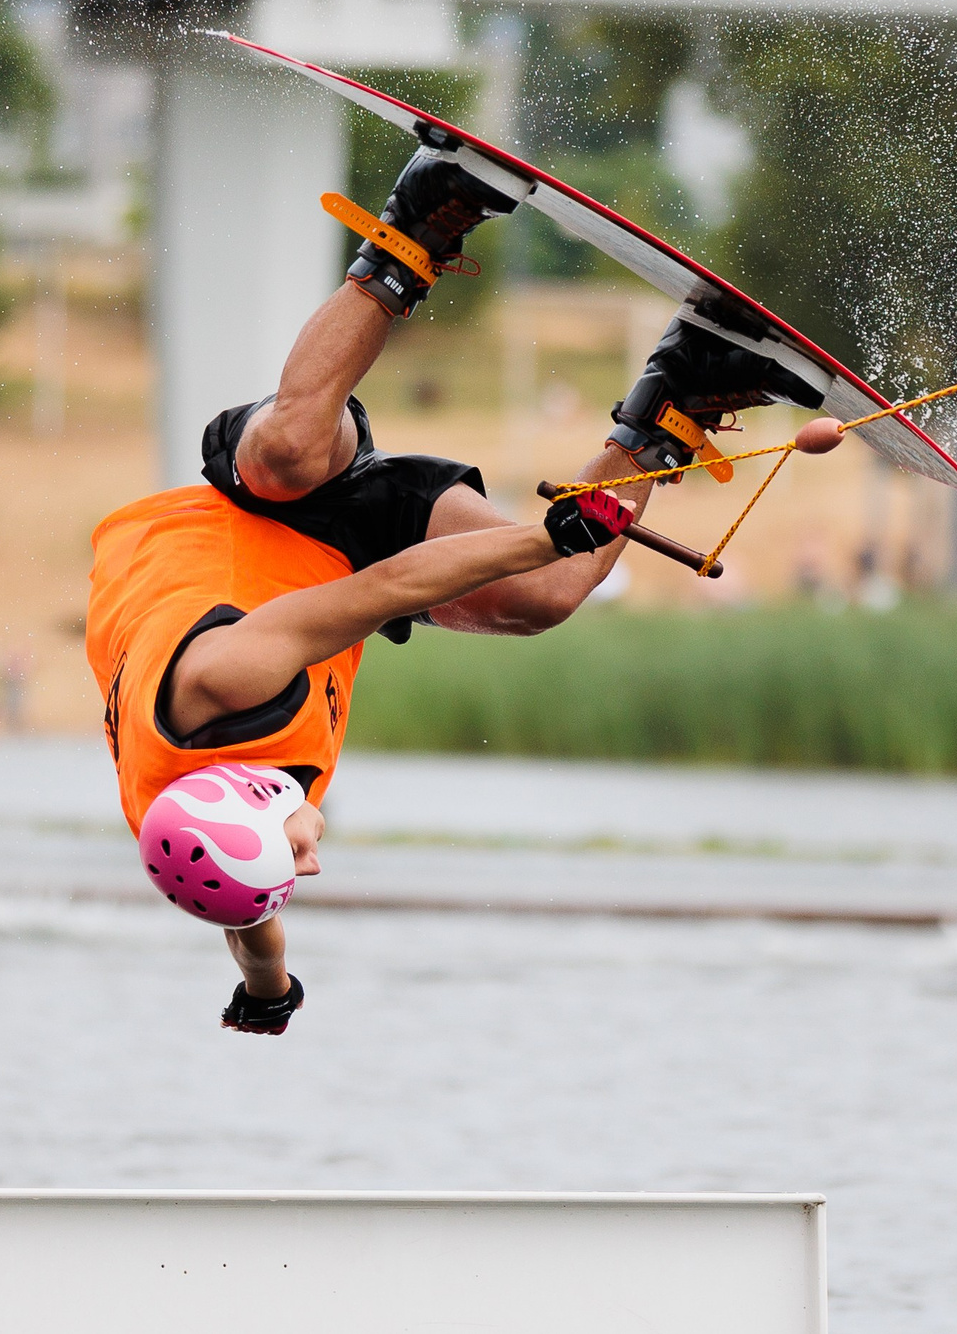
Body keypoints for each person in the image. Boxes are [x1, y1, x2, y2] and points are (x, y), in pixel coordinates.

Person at [86, 148, 820, 1035]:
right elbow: (248, 916)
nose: (311, 869)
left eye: (292, 863)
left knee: (286, 461)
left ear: (241, 805)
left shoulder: (227, 678)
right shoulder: (205, 830)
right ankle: (685, 387)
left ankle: (419, 222)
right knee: (546, 598)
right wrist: (267, 991)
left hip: (247, 510)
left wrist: (540, 533)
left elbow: (393, 585)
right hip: (340, 568)